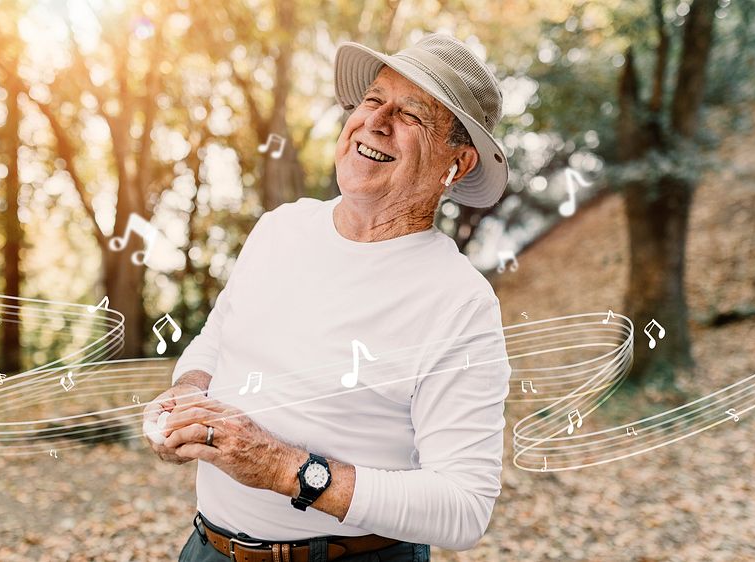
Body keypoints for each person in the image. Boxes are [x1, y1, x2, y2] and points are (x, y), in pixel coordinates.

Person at [145, 33, 512, 562]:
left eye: (411, 115)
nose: (376, 121)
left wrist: (281, 468)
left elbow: (464, 507)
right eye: (372, 99)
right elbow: (217, 339)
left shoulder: (459, 301)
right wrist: (185, 394)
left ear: (456, 165)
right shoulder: (280, 227)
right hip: (207, 548)